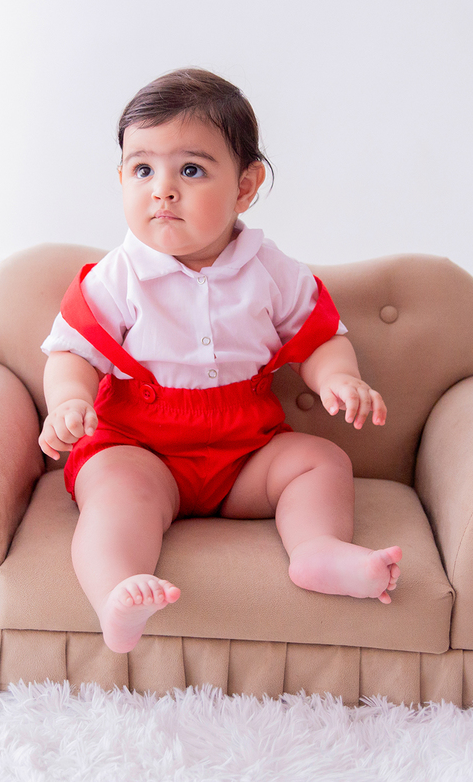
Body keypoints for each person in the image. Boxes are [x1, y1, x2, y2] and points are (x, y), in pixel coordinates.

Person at [39, 68, 400, 654]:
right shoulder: (120, 275)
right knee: (116, 492)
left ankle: (317, 551)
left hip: (245, 452)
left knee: (319, 459)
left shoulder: (270, 269)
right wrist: (70, 401)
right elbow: (71, 351)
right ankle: (115, 592)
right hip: (140, 446)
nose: (162, 188)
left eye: (190, 169)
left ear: (245, 186)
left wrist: (340, 378)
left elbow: (317, 335)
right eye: (142, 169)